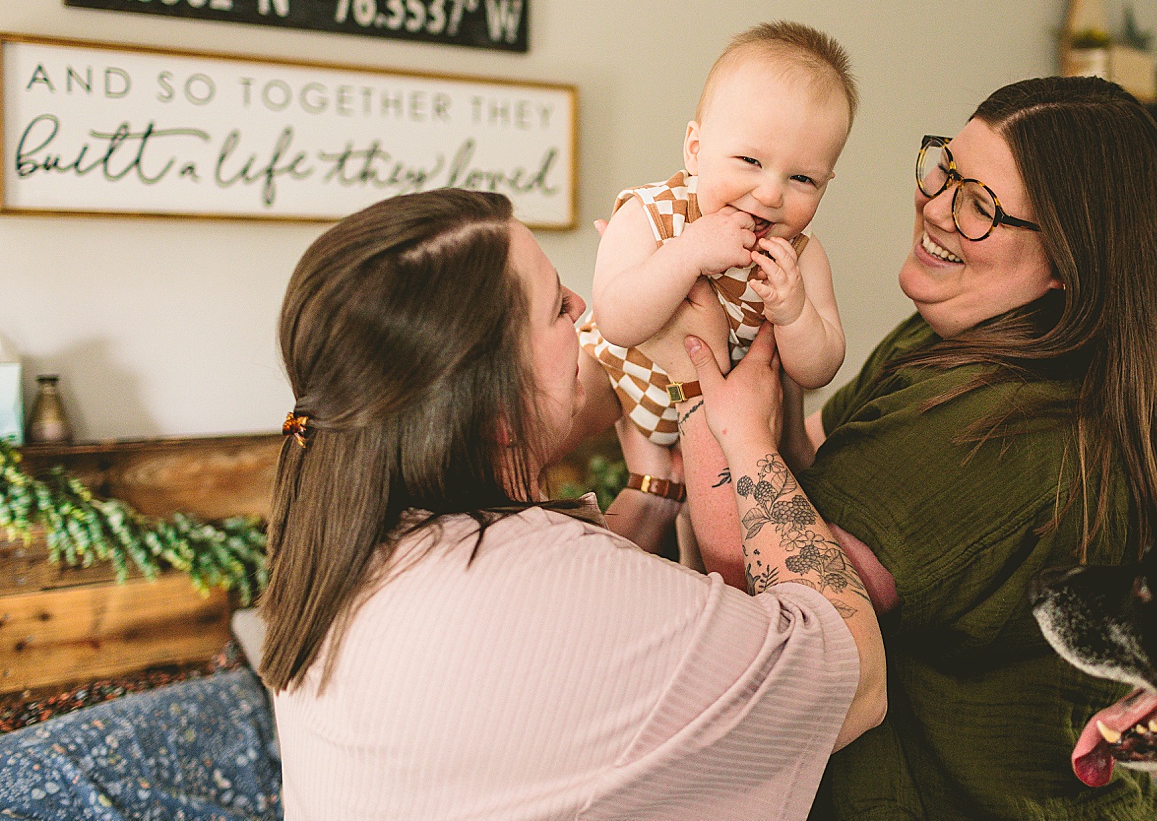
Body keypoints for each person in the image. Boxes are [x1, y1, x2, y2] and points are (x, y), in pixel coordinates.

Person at [654, 77, 1157, 820]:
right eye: (946, 168)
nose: (936, 206)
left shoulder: (1010, 425)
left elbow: (776, 605)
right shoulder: (946, 332)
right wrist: (768, 353)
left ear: (1068, 262)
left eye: (981, 204)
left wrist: (690, 369)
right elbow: (804, 479)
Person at [258, 189, 885, 821]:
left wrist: (653, 490)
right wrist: (732, 425)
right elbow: (853, 678)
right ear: (496, 407)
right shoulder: (532, 586)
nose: (583, 306)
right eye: (558, 307)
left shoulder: (347, 540)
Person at [573, 21, 853, 551]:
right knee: (554, 409)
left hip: (707, 420)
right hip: (618, 378)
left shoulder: (800, 257)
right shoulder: (652, 215)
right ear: (695, 149)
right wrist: (687, 253)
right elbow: (617, 320)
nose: (770, 193)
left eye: (803, 179)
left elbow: (820, 366)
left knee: (718, 538)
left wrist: (794, 313)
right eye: (750, 161)